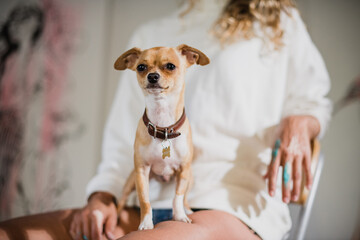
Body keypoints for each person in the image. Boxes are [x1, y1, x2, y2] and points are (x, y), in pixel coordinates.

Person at [0, 0, 331, 239]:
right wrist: (103, 197)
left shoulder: (278, 22)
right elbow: (120, 144)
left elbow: (313, 97)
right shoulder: (151, 33)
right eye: (146, 69)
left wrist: (302, 122)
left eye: (167, 68)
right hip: (140, 207)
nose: (153, 74)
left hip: (231, 205)